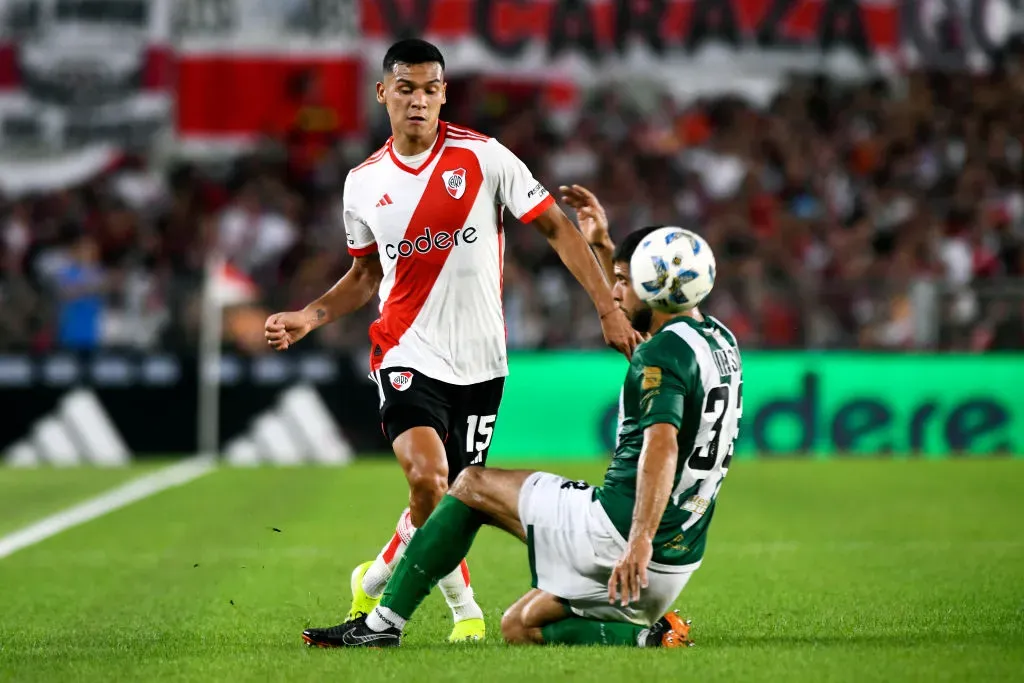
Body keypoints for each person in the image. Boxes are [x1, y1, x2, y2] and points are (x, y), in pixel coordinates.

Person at [264, 40, 641, 643]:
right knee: (429, 482)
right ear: (383, 93)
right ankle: (454, 612)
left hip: (482, 361)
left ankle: (381, 573)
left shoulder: (483, 157)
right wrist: (311, 316)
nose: (418, 99)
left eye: (430, 88)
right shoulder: (363, 183)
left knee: (459, 498)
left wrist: (605, 308)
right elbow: (365, 275)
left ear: (444, 94)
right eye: (405, 87)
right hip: (405, 352)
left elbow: (555, 228)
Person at [300, 187, 744, 649]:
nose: (613, 292)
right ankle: (649, 637)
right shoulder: (718, 340)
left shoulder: (661, 355)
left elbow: (662, 446)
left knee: (470, 485)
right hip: (676, 563)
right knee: (520, 627)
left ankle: (380, 626)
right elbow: (648, 324)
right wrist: (602, 245)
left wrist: (638, 542)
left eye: (623, 281)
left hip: (620, 536)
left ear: (653, 287)